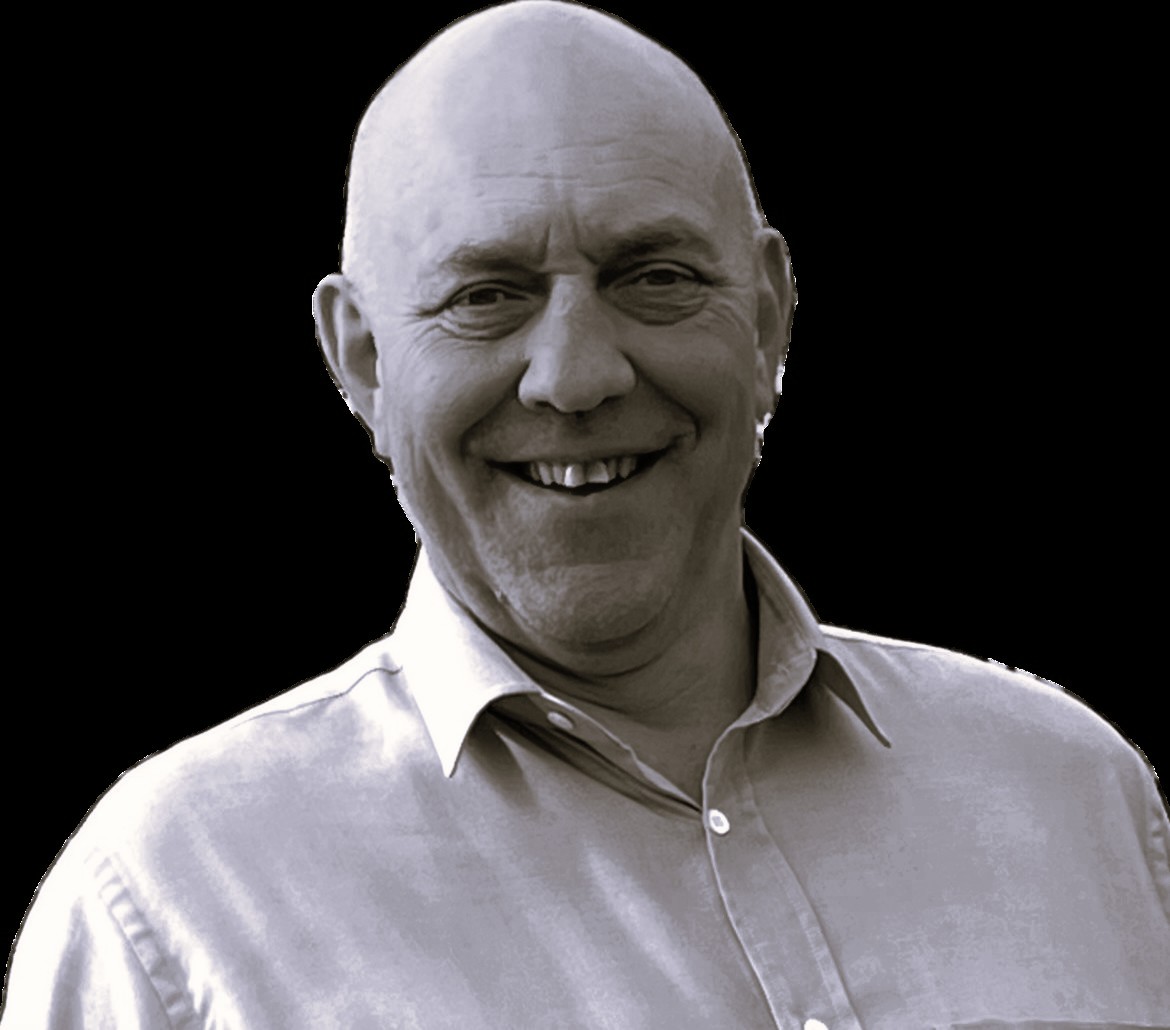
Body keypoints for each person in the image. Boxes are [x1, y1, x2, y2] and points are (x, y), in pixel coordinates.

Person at [4, 2, 1168, 1026]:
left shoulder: (1076, 794)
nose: (576, 375)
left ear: (769, 318)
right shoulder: (175, 910)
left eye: (656, 277)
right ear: (361, 359)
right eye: (485, 296)